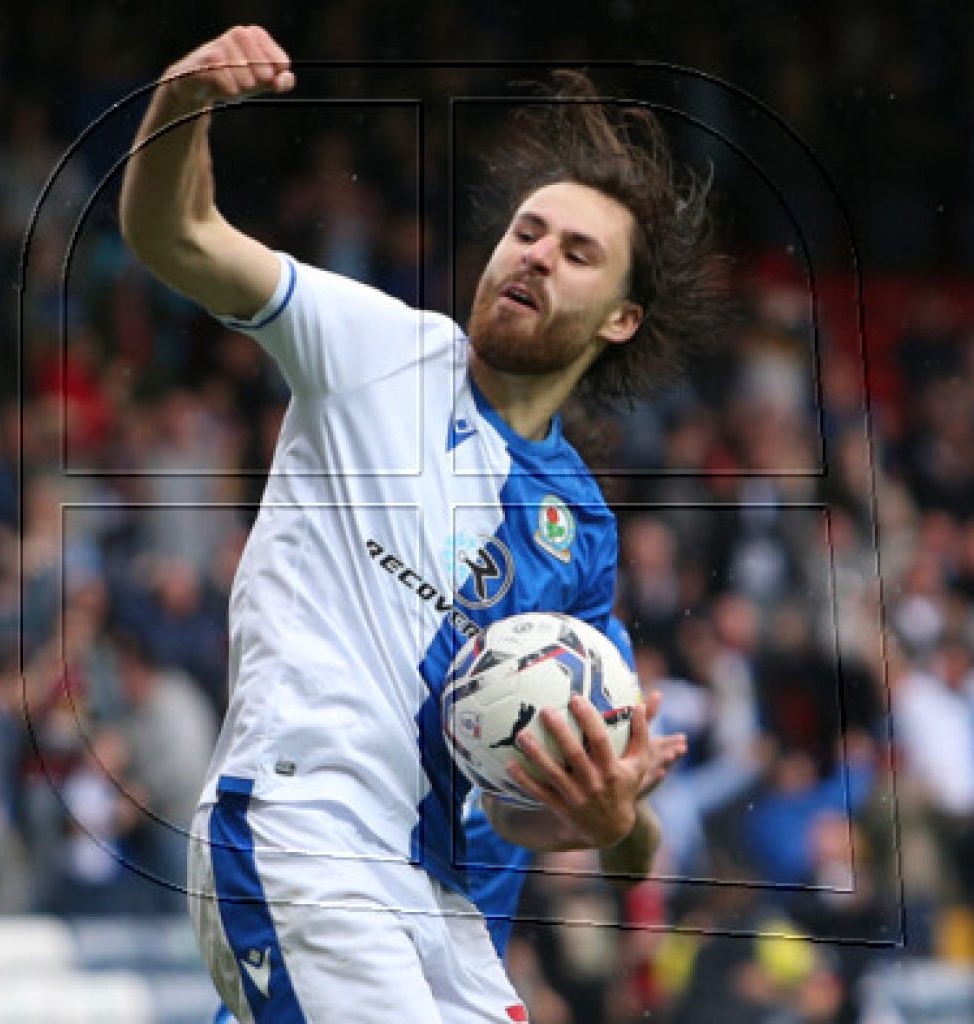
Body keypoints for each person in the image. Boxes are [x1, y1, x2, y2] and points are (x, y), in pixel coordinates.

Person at [120, 25, 717, 1023]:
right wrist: (181, 101)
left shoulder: (579, 531)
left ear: (620, 318)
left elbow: (544, 813)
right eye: (527, 231)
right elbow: (175, 236)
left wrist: (613, 817)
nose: (536, 256)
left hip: (437, 910)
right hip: (306, 829)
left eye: (577, 254)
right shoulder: (377, 350)